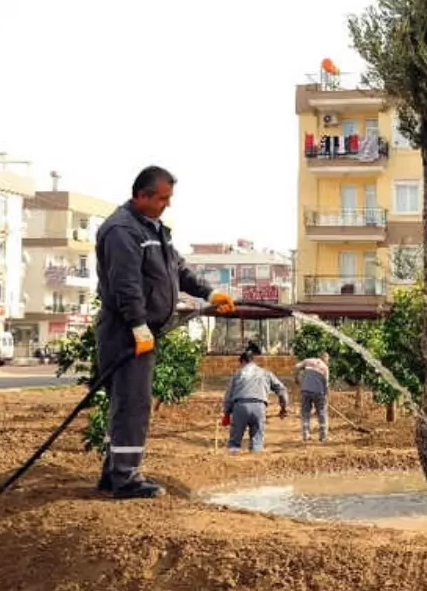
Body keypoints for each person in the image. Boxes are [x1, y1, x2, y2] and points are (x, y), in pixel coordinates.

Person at [95, 166, 235, 498]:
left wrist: (209, 293)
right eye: (162, 198)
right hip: (125, 331)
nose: (167, 205)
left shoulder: (152, 228)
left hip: (141, 329)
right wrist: (138, 325)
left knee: (126, 402)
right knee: (132, 402)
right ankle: (125, 479)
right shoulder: (121, 230)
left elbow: (178, 269)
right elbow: (125, 284)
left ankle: (112, 472)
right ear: (140, 196)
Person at [221, 350, 289, 453]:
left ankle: (232, 460)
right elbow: (281, 390)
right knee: (257, 441)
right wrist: (284, 408)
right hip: (259, 407)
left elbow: (229, 395)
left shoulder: (238, 374)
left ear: (243, 361)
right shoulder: (266, 373)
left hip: (240, 407)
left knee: (235, 441)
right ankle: (255, 460)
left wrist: (226, 413)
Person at [294, 352, 330, 442]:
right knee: (321, 413)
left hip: (305, 390)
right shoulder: (325, 368)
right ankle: (323, 436)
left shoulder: (308, 361)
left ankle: (306, 435)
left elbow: (296, 367)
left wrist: (296, 378)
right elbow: (326, 384)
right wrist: (325, 396)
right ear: (325, 360)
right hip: (319, 392)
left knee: (305, 412)